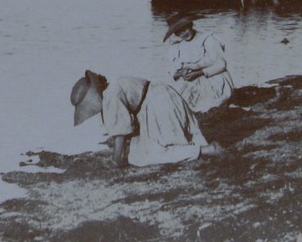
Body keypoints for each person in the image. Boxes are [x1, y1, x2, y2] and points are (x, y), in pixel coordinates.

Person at [70, 69, 215, 168]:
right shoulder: (113, 87)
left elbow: (120, 133)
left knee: (153, 154)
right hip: (163, 95)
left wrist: (115, 162)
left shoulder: (110, 97)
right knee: (141, 149)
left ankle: (207, 150)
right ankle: (200, 148)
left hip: (159, 105)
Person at [162, 13, 235, 114]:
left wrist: (199, 73)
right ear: (176, 34)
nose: (183, 33)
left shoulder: (207, 39)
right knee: (174, 104)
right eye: (179, 32)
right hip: (193, 81)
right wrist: (180, 73)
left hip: (214, 79)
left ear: (191, 25)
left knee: (207, 105)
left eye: (185, 28)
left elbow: (221, 64)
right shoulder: (178, 47)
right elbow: (171, 70)